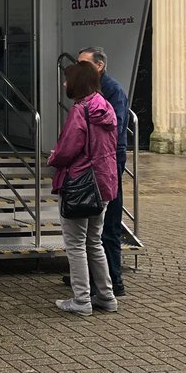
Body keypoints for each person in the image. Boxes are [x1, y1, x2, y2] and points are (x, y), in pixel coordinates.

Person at [49, 61, 119, 316]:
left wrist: (53, 158)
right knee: (94, 241)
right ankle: (106, 296)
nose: (65, 84)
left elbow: (68, 149)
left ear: (78, 82)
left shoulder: (81, 110)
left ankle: (81, 300)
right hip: (104, 182)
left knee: (76, 244)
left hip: (80, 183)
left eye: (68, 80)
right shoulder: (106, 107)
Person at [75, 46, 129, 297]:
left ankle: (114, 280)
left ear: (99, 66)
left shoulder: (113, 90)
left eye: (83, 64)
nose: (78, 69)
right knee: (89, 220)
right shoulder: (86, 90)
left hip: (107, 161)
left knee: (109, 220)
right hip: (92, 160)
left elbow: (113, 130)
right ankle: (92, 276)